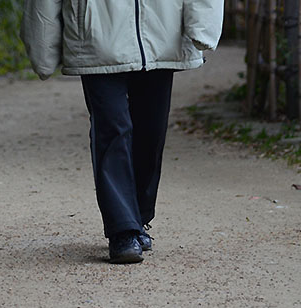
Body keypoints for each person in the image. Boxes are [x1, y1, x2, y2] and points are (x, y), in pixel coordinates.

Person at [21, 1, 224, 264]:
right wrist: (42, 45)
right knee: (111, 128)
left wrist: (204, 25)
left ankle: (138, 218)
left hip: (162, 29)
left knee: (151, 132)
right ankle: (122, 229)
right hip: (95, 34)